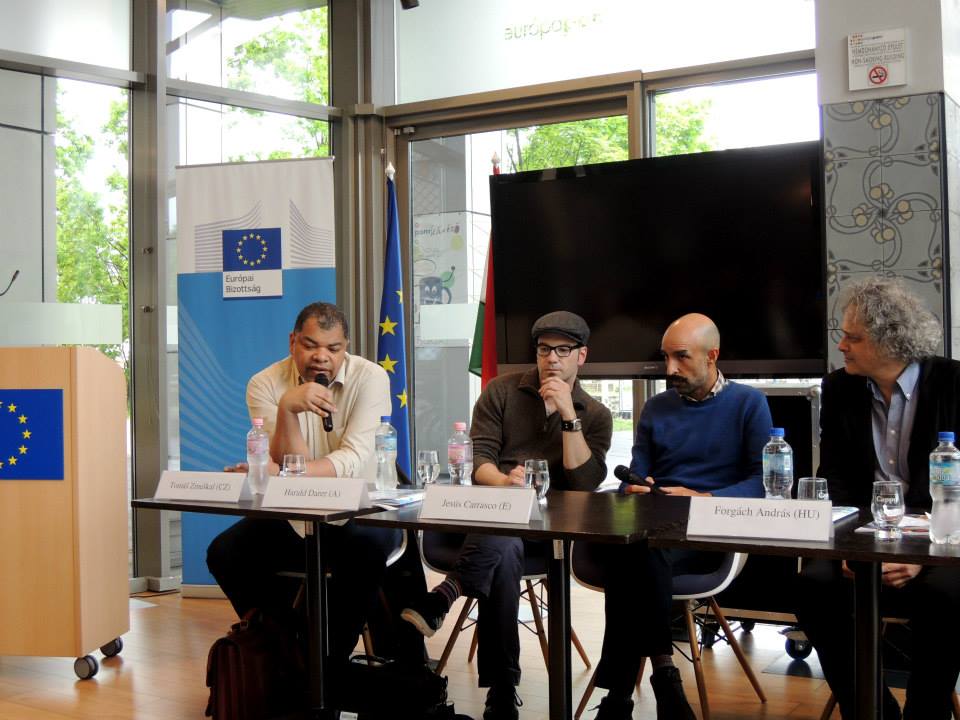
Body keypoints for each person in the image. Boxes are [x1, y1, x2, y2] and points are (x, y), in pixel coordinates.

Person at [401, 310, 613, 720]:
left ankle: (448, 595)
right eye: (543, 349)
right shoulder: (500, 391)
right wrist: (504, 483)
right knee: (505, 547)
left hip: (551, 530)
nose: (551, 359)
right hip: (493, 513)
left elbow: (584, 483)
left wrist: (570, 416)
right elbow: (478, 460)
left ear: (581, 356)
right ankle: (501, 691)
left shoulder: (596, 414)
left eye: (563, 350)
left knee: (506, 543)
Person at [590, 313, 772, 720]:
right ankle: (664, 675)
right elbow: (633, 476)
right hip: (654, 526)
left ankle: (618, 696)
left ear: (713, 356)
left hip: (709, 532)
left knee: (633, 556)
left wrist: (704, 496)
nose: (669, 369)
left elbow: (763, 482)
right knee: (634, 550)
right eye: (666, 358)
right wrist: (635, 485)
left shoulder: (749, 403)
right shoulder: (655, 407)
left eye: (681, 357)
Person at [795, 277, 960, 720]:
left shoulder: (953, 382)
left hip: (941, 537)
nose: (842, 346)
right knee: (812, 588)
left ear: (891, 341)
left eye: (853, 337)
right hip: (866, 534)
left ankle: (926, 713)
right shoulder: (839, 387)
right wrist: (851, 549)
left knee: (949, 593)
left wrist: (926, 553)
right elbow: (833, 480)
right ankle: (872, 710)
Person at [206, 301, 401, 668]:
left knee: (364, 550)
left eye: (334, 348)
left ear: (346, 347)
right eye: (311, 345)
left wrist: (281, 474)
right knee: (224, 552)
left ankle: (328, 664)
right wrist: (287, 410)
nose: (322, 358)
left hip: (362, 513)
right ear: (293, 341)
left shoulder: (371, 377)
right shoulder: (264, 383)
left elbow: (353, 461)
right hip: (295, 517)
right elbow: (282, 463)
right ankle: (284, 643)